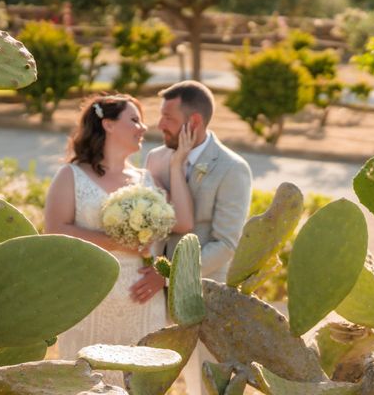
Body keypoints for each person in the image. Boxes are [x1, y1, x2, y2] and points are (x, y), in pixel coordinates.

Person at [44, 94, 195, 387]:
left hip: (141, 301)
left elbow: (184, 223)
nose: (143, 127)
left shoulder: (145, 179)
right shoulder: (72, 176)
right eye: (134, 119)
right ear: (108, 124)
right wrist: (113, 242)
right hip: (90, 296)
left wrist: (177, 165)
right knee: (87, 383)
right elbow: (54, 230)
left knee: (137, 384)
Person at [145, 81, 252, 394]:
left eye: (168, 117)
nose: (159, 124)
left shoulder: (232, 168)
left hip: (206, 297)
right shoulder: (156, 157)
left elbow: (227, 243)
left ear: (193, 123)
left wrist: (173, 279)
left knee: (204, 385)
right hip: (153, 293)